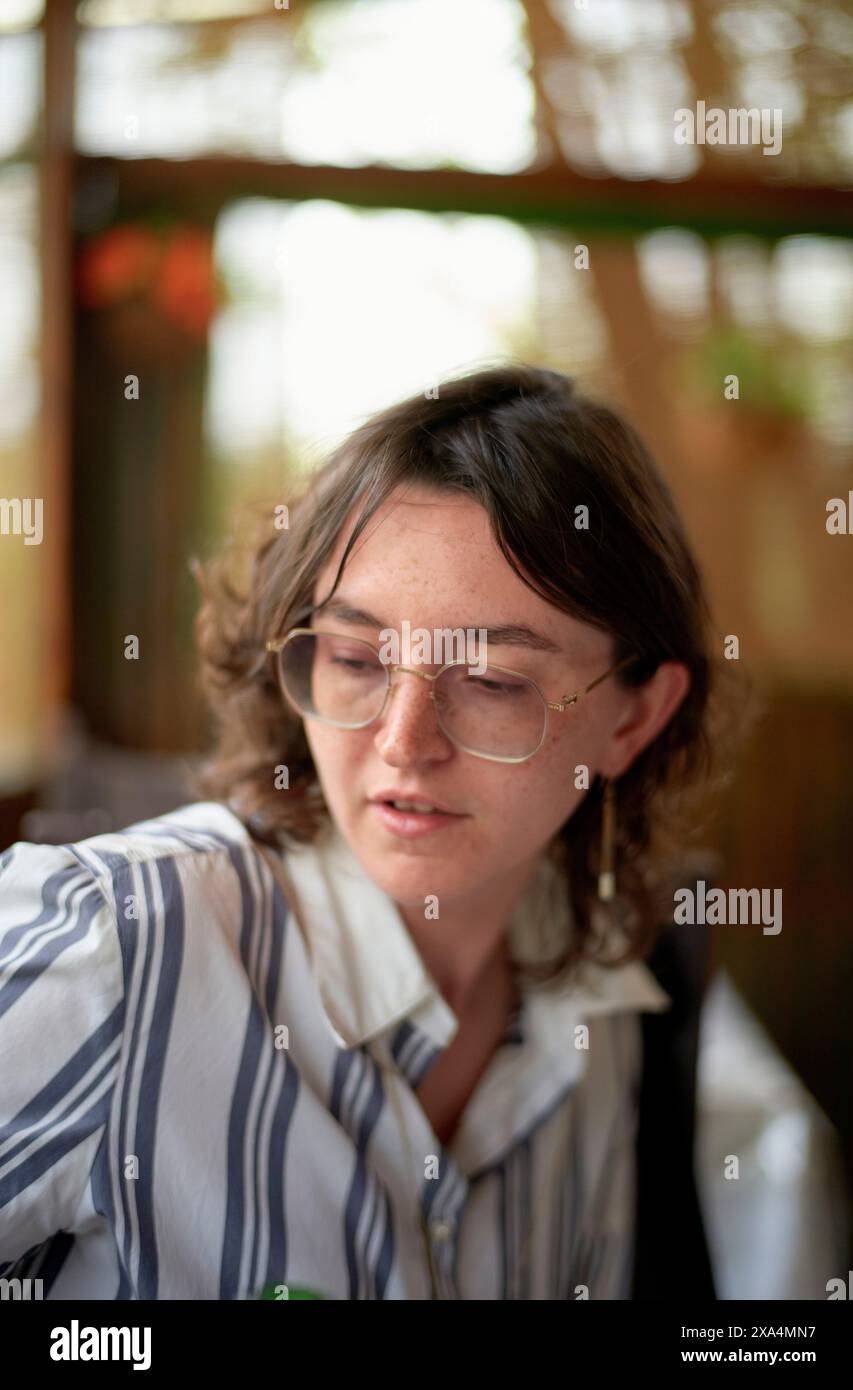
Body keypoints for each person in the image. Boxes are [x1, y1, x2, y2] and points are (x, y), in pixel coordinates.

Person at [0, 363, 736, 1300]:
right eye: (353, 658)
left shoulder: (604, 1013)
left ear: (634, 720)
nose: (401, 743)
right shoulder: (111, 951)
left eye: (495, 682)